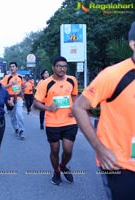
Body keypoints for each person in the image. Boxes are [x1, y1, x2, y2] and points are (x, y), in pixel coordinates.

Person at [72, 21, 135, 200]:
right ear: (133, 44)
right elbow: (79, 107)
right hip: (121, 164)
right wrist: (99, 148)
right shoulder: (113, 75)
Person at [33, 56, 78, 185]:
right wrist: (47, 107)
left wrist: (74, 107)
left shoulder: (72, 80)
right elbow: (36, 103)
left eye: (64, 66)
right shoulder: (46, 83)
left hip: (69, 121)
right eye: (59, 66)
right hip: (52, 122)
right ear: (53, 67)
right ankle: (56, 172)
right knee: (54, 150)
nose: (62, 69)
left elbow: (74, 95)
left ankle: (63, 166)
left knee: (68, 150)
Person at [1, 62, 26, 139]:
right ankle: (16, 128)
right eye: (11, 67)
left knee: (19, 114)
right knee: (12, 116)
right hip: (10, 99)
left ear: (16, 68)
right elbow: (2, 87)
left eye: (13, 66)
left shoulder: (20, 77)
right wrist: (10, 84)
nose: (12, 68)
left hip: (18, 98)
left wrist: (23, 89)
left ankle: (21, 130)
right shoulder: (7, 77)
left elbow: (22, 86)